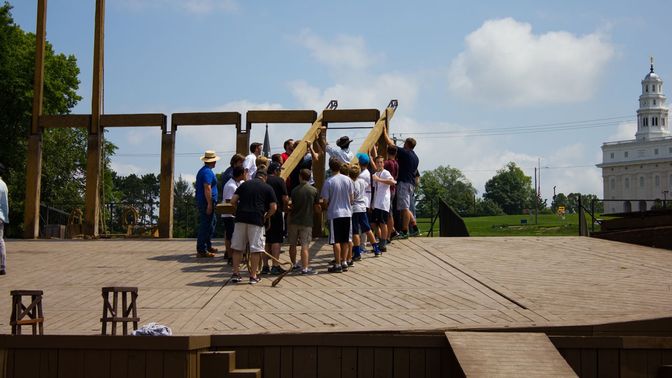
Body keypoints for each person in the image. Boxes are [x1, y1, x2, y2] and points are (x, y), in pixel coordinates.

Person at [229, 168, 277, 284]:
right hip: (256, 219)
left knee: (238, 248)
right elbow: (273, 207)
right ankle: (253, 276)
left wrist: (238, 211)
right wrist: (266, 216)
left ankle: (236, 273)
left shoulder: (244, 185)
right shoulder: (267, 188)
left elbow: (233, 201)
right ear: (265, 177)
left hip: (240, 218)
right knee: (256, 249)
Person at [382, 127, 419, 239]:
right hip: (410, 183)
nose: (403, 145)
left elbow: (390, 143)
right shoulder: (415, 157)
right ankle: (415, 227)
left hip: (403, 183)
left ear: (407, 145)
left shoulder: (405, 153)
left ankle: (404, 231)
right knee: (405, 206)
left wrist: (384, 132)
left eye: (404, 144)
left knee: (404, 208)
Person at [321, 158, 354, 273]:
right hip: (347, 212)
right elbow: (352, 198)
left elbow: (325, 200)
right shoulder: (348, 180)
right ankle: (344, 261)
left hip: (334, 213)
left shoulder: (328, 181)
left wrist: (327, 206)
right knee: (345, 239)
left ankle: (338, 263)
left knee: (336, 240)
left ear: (330, 168)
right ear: (340, 167)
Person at [288, 169, 321, 275]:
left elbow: (291, 205)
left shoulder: (294, 190)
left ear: (300, 176)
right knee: (305, 245)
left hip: (293, 220)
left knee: (292, 244)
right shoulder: (313, 190)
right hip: (306, 221)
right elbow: (317, 207)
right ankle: (305, 267)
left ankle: (293, 264)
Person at [348, 164, 380, 261]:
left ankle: (357, 253)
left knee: (355, 231)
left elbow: (351, 198)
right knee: (367, 229)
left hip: (354, 208)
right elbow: (368, 185)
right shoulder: (362, 181)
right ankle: (376, 249)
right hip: (362, 207)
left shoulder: (351, 183)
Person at [261, 162, 288, 276]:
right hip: (276, 212)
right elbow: (285, 198)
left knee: (266, 240)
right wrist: (286, 208)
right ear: (276, 170)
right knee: (276, 240)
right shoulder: (280, 181)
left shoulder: (264, 180)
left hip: (264, 212)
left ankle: (265, 266)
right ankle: (275, 266)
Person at [195, 151, 220, 258]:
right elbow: (207, 188)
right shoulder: (207, 173)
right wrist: (209, 204)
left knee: (211, 223)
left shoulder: (205, 171)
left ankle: (207, 245)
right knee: (206, 225)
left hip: (205, 201)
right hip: (206, 202)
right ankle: (202, 249)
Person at [370, 155, 396, 254]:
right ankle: (381, 240)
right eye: (378, 162)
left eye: (381, 162)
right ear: (375, 164)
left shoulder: (385, 172)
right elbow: (375, 189)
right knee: (373, 223)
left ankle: (383, 244)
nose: (380, 164)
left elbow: (392, 181)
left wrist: (379, 180)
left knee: (382, 223)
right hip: (376, 202)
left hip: (383, 202)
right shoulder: (375, 174)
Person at [221, 165, 245, 265]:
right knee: (231, 237)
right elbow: (230, 202)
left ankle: (233, 256)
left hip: (232, 215)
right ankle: (231, 257)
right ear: (240, 174)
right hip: (229, 215)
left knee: (231, 236)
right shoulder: (231, 186)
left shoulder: (237, 183)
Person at [384, 146, 399, 241]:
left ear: (387, 152)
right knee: (390, 212)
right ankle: (392, 231)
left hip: (388, 190)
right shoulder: (396, 163)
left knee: (389, 213)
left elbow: (379, 169)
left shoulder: (387, 163)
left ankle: (388, 236)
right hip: (393, 189)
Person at [0, 163, 8, 275]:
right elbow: (5, 204)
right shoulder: (3, 185)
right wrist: (5, 218)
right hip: (0, 216)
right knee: (0, 240)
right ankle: (2, 265)